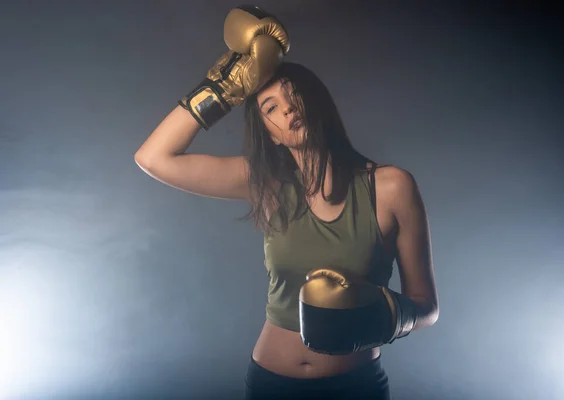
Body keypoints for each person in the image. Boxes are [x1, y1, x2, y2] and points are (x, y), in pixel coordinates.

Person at [134, 5, 439, 400]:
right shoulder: (268, 185)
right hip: (270, 383)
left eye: (295, 97)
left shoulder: (391, 186)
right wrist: (223, 89)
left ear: (320, 106)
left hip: (355, 386)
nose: (288, 109)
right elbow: (153, 158)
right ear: (271, 134)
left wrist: (384, 314)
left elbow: (426, 306)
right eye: (271, 107)